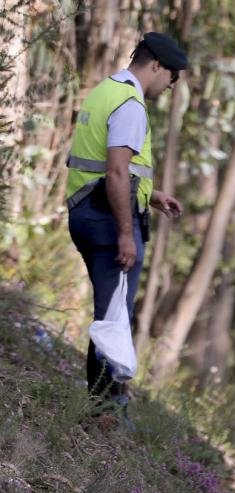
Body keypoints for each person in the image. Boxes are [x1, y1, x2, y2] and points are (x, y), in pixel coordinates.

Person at [66, 32, 187, 425]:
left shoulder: (106, 90)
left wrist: (153, 196)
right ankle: (106, 409)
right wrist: (124, 233)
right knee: (115, 316)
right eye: (172, 77)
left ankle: (105, 404)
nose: (171, 86)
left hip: (87, 209)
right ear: (156, 66)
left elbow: (107, 168)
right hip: (107, 219)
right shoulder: (131, 105)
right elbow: (117, 172)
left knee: (109, 311)